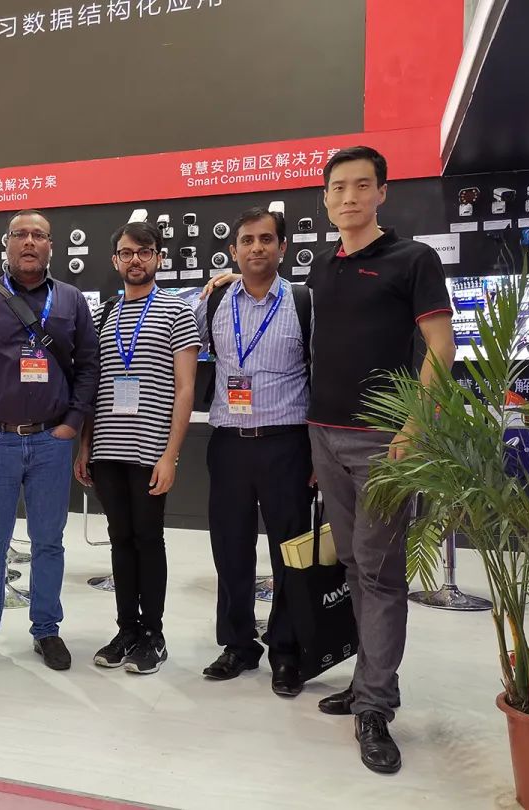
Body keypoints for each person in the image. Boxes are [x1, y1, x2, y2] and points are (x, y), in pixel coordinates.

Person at [304, 146, 454, 774]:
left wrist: (415, 424)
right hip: (324, 436)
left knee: (380, 573)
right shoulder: (323, 266)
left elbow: (441, 345)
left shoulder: (412, 259)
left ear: (382, 193)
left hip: (384, 441)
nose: (349, 197)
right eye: (338, 187)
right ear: (327, 198)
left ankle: (375, 708)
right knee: (353, 565)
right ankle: (366, 682)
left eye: (362, 185)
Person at [0, 209, 100, 671]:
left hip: (52, 440)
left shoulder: (70, 299)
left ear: (51, 245)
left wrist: (71, 423)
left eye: (39, 235)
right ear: (7, 243)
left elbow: (88, 366)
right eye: (21, 234)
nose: (29, 242)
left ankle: (46, 630)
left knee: (48, 541)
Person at [195, 208, 313, 699]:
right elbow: (186, 351)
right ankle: (238, 644)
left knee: (290, 553)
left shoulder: (304, 302)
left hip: (287, 443)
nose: (257, 248)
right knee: (230, 549)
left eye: (266, 239)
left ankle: (287, 651)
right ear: (234, 250)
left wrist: (318, 454)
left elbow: (321, 374)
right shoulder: (213, 301)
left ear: (283, 247)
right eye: (247, 240)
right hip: (228, 444)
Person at [74, 221, 199, 675]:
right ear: (115, 260)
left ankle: (153, 634)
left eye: (145, 252)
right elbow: (93, 386)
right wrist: (85, 445)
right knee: (120, 540)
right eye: (127, 253)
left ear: (159, 257)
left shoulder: (177, 312)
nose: (135, 260)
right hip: (107, 449)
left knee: (148, 539)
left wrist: (171, 455)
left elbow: (185, 389)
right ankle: (126, 629)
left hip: (150, 451)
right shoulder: (103, 316)